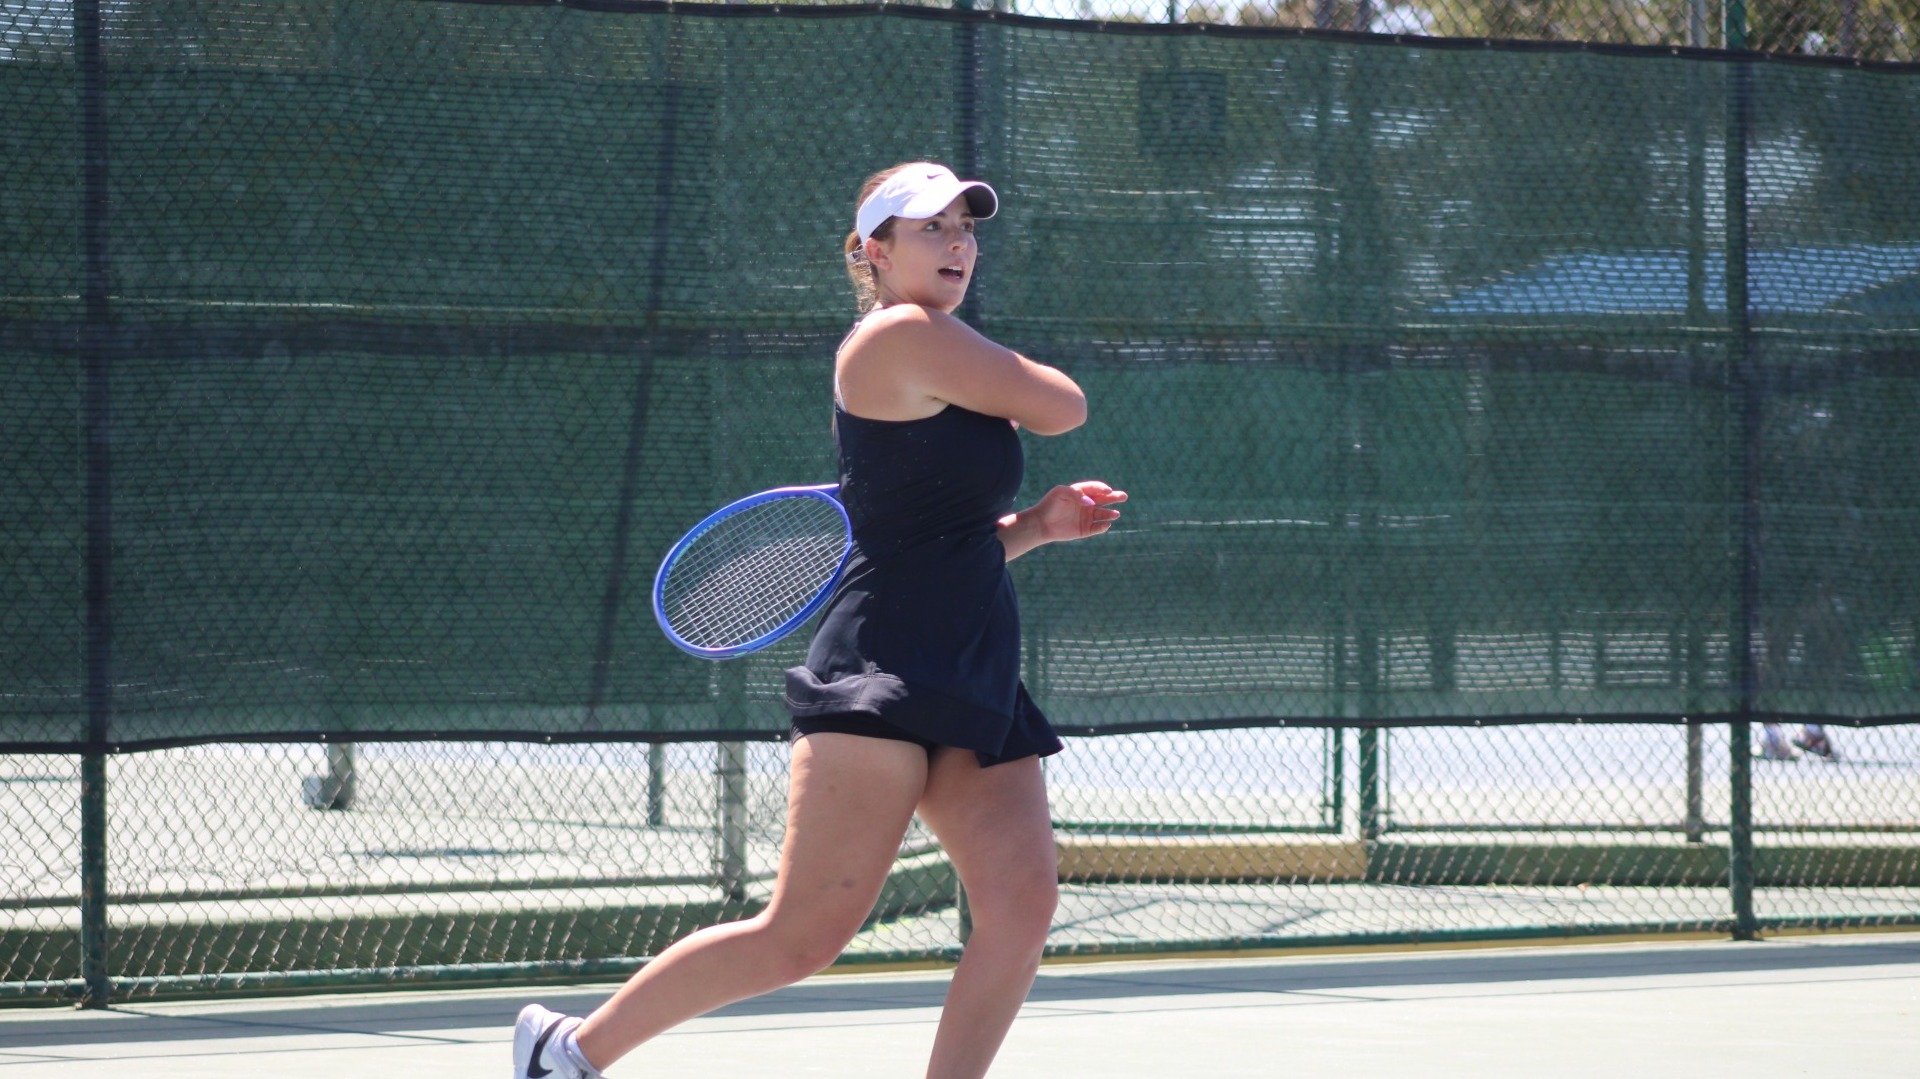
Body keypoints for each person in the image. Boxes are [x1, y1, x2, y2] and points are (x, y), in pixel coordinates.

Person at [512, 162, 1126, 1079]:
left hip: (972, 660)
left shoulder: (943, 357)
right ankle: (567, 1049)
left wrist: (1035, 527)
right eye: (931, 227)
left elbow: (937, 541)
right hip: (881, 667)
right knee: (802, 936)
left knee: (1021, 903)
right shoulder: (900, 335)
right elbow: (1063, 405)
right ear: (874, 252)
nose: (959, 242)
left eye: (966, 226)